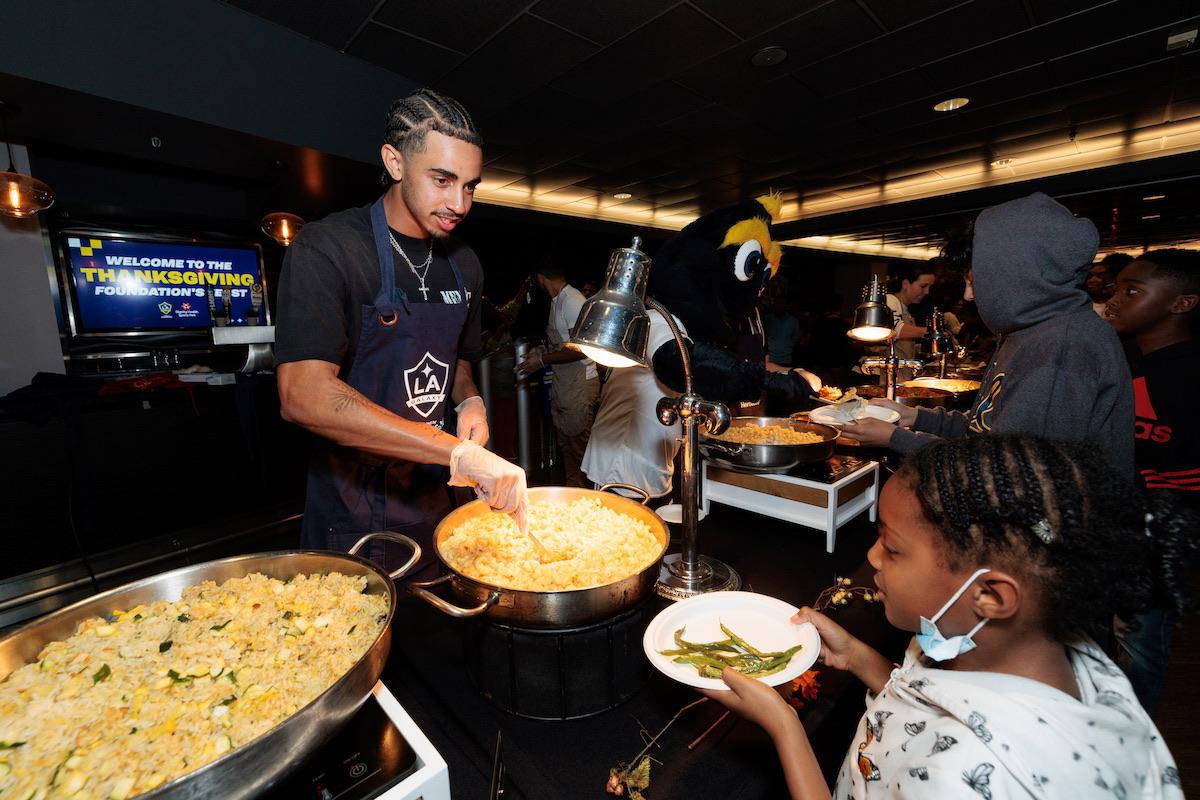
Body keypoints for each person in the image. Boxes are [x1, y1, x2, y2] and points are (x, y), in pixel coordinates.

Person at [702, 435, 1191, 799]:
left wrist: (784, 725)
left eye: (892, 548)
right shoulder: (981, 638)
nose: (872, 558)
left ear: (992, 596)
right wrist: (860, 660)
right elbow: (932, 703)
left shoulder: (964, 779)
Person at [274, 88, 528, 572]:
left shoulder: (464, 264)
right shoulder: (330, 249)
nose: (459, 203)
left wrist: (467, 399)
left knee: (442, 636)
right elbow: (302, 394)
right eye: (442, 180)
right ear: (394, 162)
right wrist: (455, 450)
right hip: (353, 505)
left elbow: (455, 357)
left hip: (436, 495)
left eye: (471, 186)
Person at [841, 192, 1135, 479]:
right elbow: (986, 428)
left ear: (1015, 274)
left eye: (974, 281)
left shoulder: (1065, 345)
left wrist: (896, 439)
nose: (968, 296)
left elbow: (1005, 471)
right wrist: (915, 417)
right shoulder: (1033, 331)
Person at [1103, 248, 1200, 713]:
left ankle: (1132, 740)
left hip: (1162, 525)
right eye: (1116, 288)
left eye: (1132, 291)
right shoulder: (1123, 357)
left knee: (1141, 638)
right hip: (1116, 518)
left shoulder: (1188, 371)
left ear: (1182, 304)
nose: (1115, 300)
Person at [581, 305, 687, 500]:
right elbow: (678, 366)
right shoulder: (655, 322)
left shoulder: (658, 321)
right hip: (624, 469)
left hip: (649, 465)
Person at [516, 263, 600, 487]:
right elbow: (560, 342)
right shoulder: (558, 300)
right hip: (565, 382)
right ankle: (573, 494)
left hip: (579, 382)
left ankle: (590, 500)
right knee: (567, 447)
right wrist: (542, 350)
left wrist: (542, 361)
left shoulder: (572, 300)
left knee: (579, 448)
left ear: (541, 277)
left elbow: (580, 348)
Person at [1088, 252, 1134, 316]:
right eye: (1090, 276)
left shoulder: (1131, 310)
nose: (1091, 280)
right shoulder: (1084, 307)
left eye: (1100, 276)